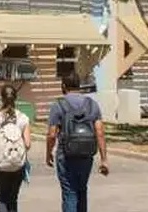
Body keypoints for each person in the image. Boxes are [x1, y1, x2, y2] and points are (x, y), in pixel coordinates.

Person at [46, 73, 108, 212]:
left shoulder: (58, 105)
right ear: (79, 86)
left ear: (63, 86)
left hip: (65, 154)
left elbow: (51, 134)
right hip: (86, 154)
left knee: (69, 192)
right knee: (82, 189)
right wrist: (104, 159)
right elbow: (100, 133)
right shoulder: (92, 105)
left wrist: (48, 153)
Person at [0, 84, 31, 212]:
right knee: (12, 199)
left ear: (2, 98)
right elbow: (28, 144)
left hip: (0, 163)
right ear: (15, 98)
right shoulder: (23, 118)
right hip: (17, 164)